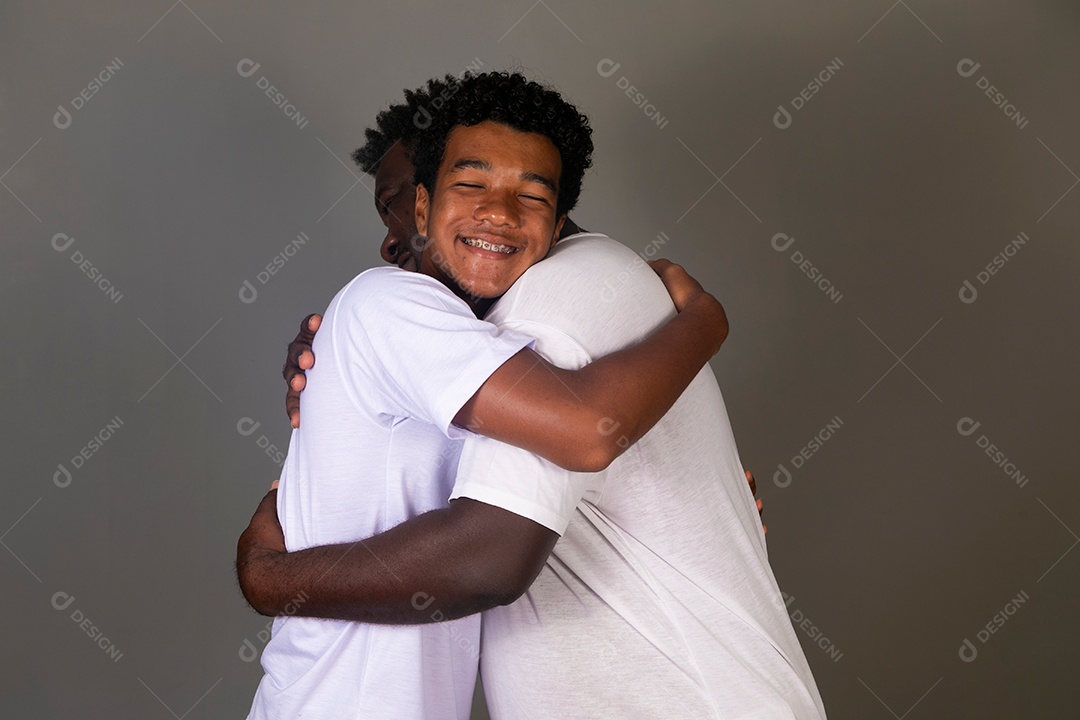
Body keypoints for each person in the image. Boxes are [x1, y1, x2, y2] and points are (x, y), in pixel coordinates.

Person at [238, 71, 732, 719]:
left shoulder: (500, 341)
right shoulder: (388, 302)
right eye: (394, 205)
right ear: (423, 207)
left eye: (522, 192)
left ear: (558, 224)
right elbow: (583, 434)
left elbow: (579, 446)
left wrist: (672, 487)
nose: (392, 240)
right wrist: (706, 320)